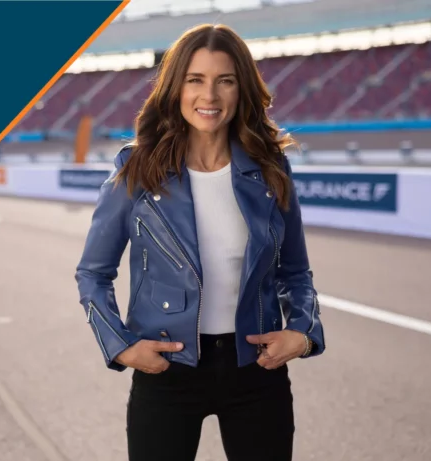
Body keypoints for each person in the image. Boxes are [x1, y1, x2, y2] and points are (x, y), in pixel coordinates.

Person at [74, 23, 326, 461]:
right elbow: (93, 274)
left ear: (241, 88)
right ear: (175, 87)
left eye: (224, 80)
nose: (209, 96)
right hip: (167, 369)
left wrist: (303, 333)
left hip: (256, 370)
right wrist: (122, 345)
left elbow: (296, 271)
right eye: (195, 80)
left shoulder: (270, 168)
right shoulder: (137, 170)